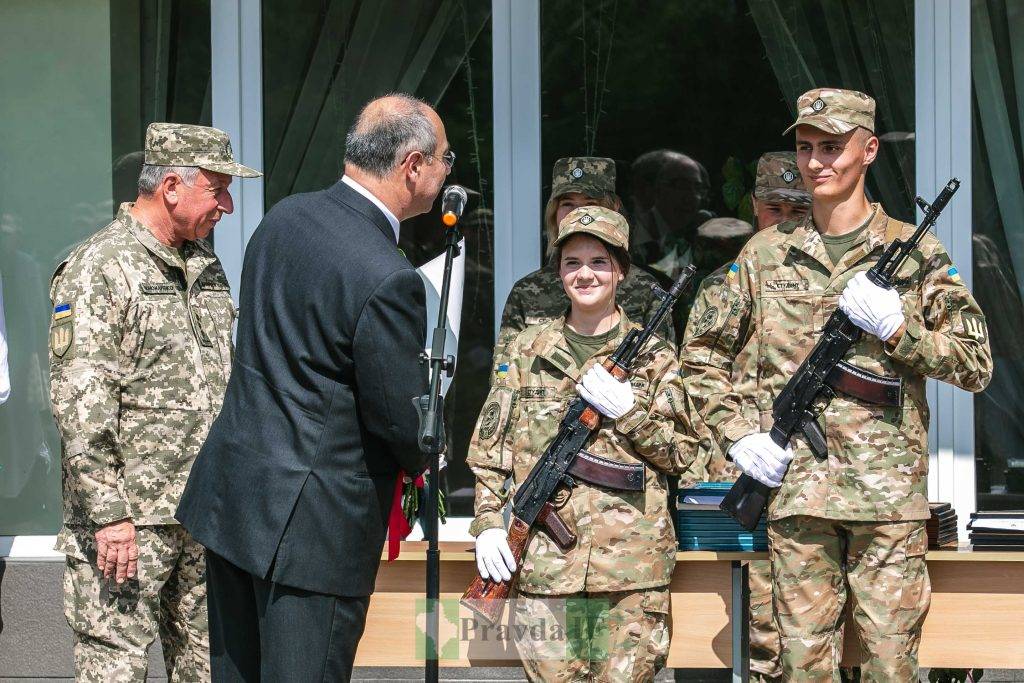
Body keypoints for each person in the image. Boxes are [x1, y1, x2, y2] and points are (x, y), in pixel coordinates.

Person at [680, 88, 992, 681]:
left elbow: (975, 364)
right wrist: (739, 434)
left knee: (888, 669)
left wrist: (899, 330)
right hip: (797, 499)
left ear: (868, 150)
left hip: (886, 506)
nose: (818, 162)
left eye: (833, 146)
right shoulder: (766, 254)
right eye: (806, 148)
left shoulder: (913, 251)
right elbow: (699, 355)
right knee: (799, 669)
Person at [175, 94, 447, 681]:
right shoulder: (388, 276)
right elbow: (402, 421)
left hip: (236, 500)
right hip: (314, 531)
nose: (448, 173)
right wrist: (430, 446)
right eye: (445, 159)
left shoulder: (283, 218)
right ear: (413, 166)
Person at [48, 122, 260, 681]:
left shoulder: (205, 266)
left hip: (202, 511)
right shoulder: (101, 268)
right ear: (172, 186)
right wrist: (109, 516)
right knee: (115, 670)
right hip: (130, 523)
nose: (228, 206)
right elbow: (80, 403)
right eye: (217, 190)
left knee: (209, 669)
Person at [468, 206, 696, 682]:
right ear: (559, 273)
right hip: (547, 570)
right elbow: (490, 453)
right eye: (573, 262)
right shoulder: (527, 350)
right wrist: (490, 524)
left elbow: (683, 453)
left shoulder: (653, 356)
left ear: (620, 271)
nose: (585, 274)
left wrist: (628, 411)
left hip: (632, 573)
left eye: (598, 261)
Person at [680, 152, 809, 682]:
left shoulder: (843, 281)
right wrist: (737, 436)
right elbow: (698, 369)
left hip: (818, 477)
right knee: (725, 634)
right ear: (755, 208)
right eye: (774, 208)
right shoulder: (727, 283)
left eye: (797, 208)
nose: (784, 219)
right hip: (738, 474)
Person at [497, 157, 673, 352]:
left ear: (613, 208)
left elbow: (660, 365)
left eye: (591, 203)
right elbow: (505, 369)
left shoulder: (646, 289)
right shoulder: (527, 291)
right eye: (568, 204)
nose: (579, 212)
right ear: (554, 212)